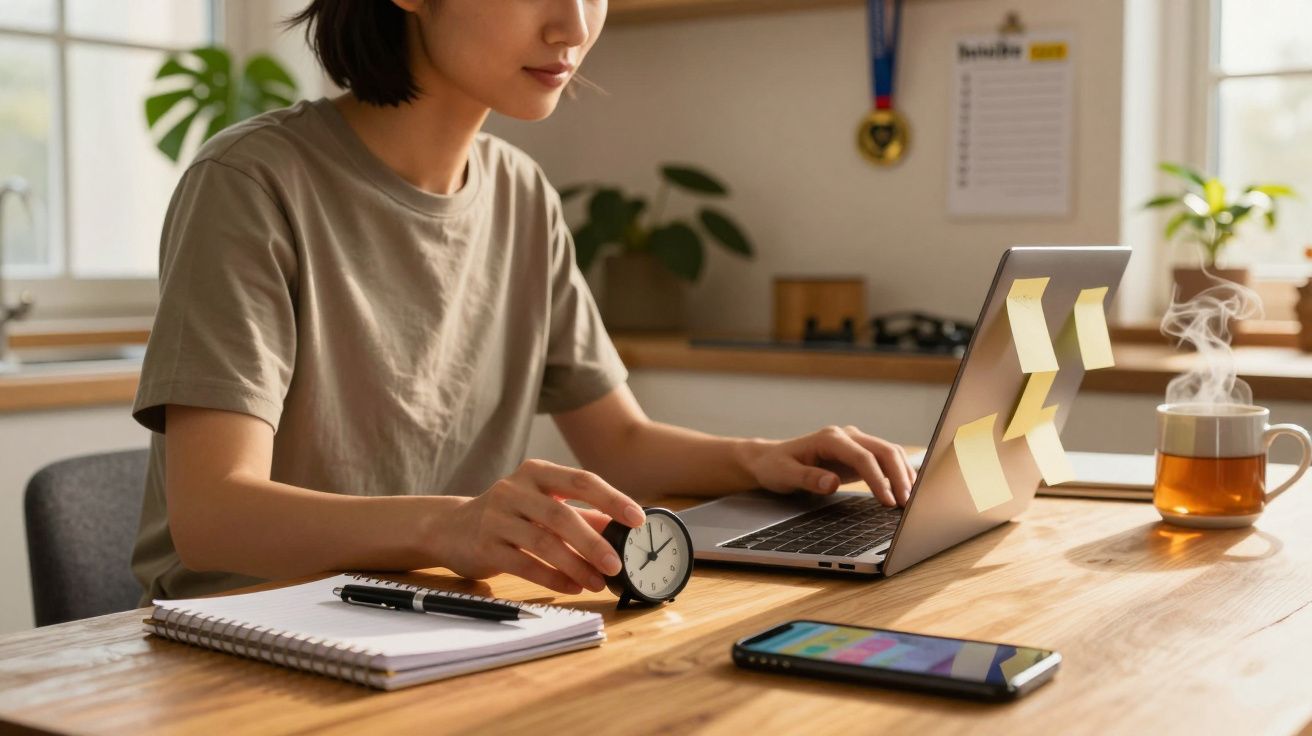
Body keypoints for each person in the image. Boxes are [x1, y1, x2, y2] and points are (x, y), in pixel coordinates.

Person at [130, 0, 917, 603]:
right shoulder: (251, 183)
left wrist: (759, 457)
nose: (573, 25)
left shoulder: (521, 196)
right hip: (246, 644)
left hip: (438, 625)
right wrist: (451, 525)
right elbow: (213, 517)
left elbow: (621, 442)